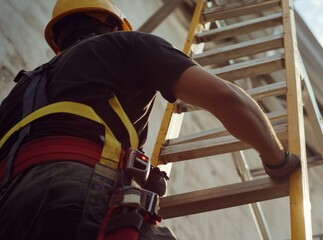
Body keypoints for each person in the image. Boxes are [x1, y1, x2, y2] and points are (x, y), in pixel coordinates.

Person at [0, 0, 299, 239]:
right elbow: (227, 98)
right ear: (116, 26)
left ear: (58, 39)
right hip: (81, 192)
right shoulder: (127, 45)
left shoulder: (20, 91)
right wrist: (276, 158)